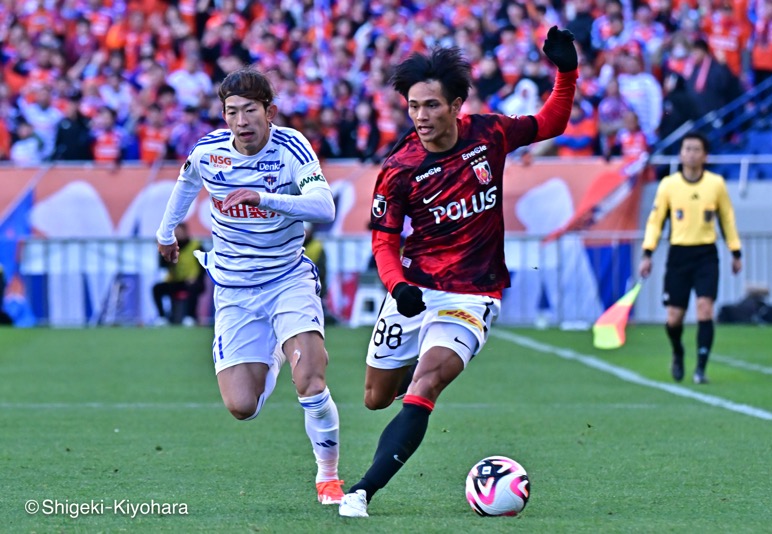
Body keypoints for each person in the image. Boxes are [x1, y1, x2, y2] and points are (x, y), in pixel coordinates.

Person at [338, 27, 578, 518]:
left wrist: (566, 72)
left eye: (430, 105)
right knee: (375, 398)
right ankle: (418, 361)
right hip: (415, 292)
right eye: (413, 107)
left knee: (425, 383)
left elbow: (551, 121)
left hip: (473, 297)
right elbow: (383, 238)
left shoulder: (489, 133)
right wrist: (398, 286)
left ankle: (361, 491)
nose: (421, 117)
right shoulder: (400, 166)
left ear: (455, 105)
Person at [156, 66, 345, 505]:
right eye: (231, 112)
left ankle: (328, 477)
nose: (241, 121)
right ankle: (276, 353)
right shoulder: (209, 152)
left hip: (286, 278)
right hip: (236, 290)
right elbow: (186, 181)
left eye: (249, 111)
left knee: (312, 381)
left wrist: (265, 198)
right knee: (242, 406)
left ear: (269, 111)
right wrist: (167, 232)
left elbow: (324, 207)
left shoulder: (292, 146)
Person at [638, 132, 743, 385]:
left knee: (705, 309)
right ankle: (677, 351)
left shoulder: (715, 184)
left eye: (697, 149)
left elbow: (727, 218)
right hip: (679, 255)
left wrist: (735, 251)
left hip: (706, 254)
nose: (691, 154)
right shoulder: (669, 185)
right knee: (674, 317)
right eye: (687, 149)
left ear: (705, 155)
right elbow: (655, 221)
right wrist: (647, 253)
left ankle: (700, 369)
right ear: (681, 153)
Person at [152, 222, 205, 326]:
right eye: (176, 233)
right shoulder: (171, 247)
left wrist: (196, 277)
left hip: (193, 281)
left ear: (186, 232)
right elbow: (163, 266)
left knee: (193, 287)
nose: (178, 235)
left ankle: (190, 317)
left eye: (180, 232)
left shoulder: (196, 245)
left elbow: (204, 266)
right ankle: (162, 317)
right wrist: (163, 252)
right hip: (175, 280)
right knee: (157, 288)